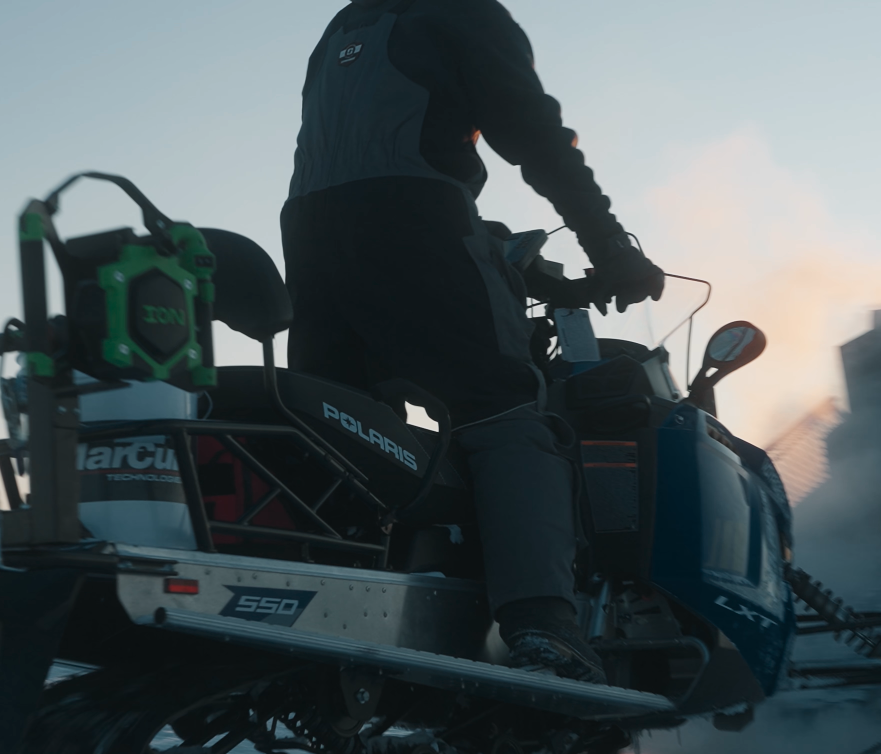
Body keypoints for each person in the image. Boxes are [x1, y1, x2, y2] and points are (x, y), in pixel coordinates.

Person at [282, 0, 664, 681]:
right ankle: (543, 623)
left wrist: (491, 244)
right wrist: (609, 246)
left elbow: (375, 160)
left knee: (345, 428)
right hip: (417, 227)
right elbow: (536, 137)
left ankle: (329, 586)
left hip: (311, 247)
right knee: (503, 412)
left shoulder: (344, 26)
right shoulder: (462, 11)